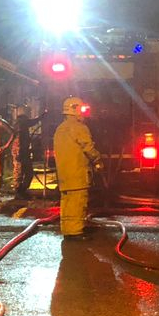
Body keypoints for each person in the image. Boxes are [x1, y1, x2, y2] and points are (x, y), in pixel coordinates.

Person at [53, 96, 102, 238]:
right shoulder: (79, 128)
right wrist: (98, 160)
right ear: (74, 109)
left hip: (64, 173)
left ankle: (68, 229)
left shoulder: (60, 128)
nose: (83, 112)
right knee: (78, 201)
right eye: (81, 109)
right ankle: (75, 231)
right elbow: (88, 147)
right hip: (77, 172)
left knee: (68, 202)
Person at [12, 108, 39, 199]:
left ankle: (22, 191)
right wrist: (19, 152)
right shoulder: (20, 125)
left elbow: (32, 122)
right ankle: (18, 192)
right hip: (20, 152)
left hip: (24, 152)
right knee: (20, 172)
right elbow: (19, 139)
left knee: (28, 172)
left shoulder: (22, 124)